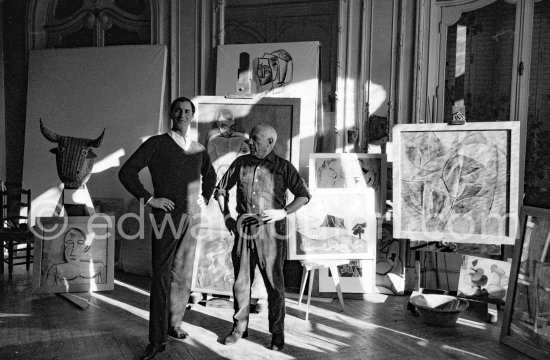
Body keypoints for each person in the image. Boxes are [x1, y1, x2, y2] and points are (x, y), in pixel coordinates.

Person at [118, 97, 216, 360]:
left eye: (187, 111)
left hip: (192, 220)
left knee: (183, 275)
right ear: (171, 114)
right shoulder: (157, 144)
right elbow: (127, 172)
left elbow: (212, 175)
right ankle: (156, 340)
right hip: (166, 220)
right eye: (178, 111)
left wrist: (204, 197)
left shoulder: (198, 149)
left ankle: (173, 325)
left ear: (192, 116)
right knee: (161, 277)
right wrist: (150, 199)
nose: (182, 115)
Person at [215, 124, 310, 351]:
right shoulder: (240, 163)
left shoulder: (283, 167)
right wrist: (228, 216)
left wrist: (283, 211)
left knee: (274, 285)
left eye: (255, 139)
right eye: (251, 139)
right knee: (241, 282)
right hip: (244, 232)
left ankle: (277, 332)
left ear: (270, 143)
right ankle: (239, 328)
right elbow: (220, 190)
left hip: (271, 236)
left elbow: (304, 196)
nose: (250, 143)